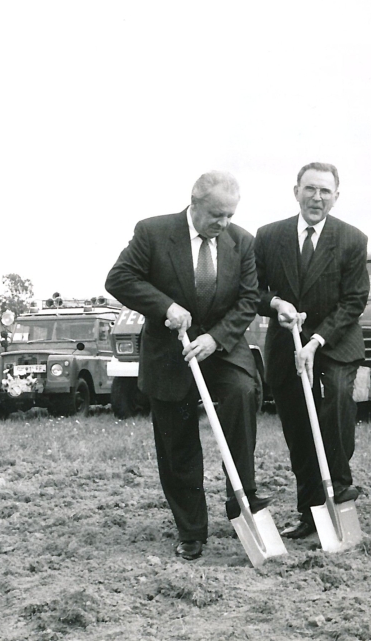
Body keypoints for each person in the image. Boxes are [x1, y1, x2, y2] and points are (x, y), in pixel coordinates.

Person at [105, 171, 267, 561]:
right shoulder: (153, 232)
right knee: (176, 440)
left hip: (222, 347)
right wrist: (165, 306)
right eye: (216, 215)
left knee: (242, 393)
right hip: (170, 351)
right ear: (194, 203)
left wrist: (215, 338)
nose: (223, 223)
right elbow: (119, 278)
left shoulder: (242, 241)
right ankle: (191, 530)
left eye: (230, 215)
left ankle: (242, 500)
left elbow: (248, 299)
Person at [254, 162, 369, 540]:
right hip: (286, 340)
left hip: (335, 339)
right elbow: (252, 291)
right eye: (310, 189)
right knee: (299, 426)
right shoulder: (269, 236)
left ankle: (339, 484)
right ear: (296, 192)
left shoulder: (352, 239)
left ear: (336, 196)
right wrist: (276, 304)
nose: (316, 197)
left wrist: (317, 340)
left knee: (336, 397)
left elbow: (354, 300)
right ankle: (309, 512)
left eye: (325, 191)